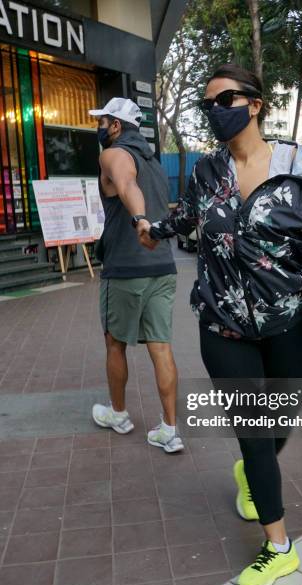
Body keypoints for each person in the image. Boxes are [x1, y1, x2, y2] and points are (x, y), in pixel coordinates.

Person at [138, 65, 302, 585]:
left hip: (290, 324)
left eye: (227, 99)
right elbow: (190, 217)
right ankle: (280, 547)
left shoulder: (298, 168)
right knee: (256, 437)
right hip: (223, 326)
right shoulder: (205, 170)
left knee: (279, 427)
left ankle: (250, 475)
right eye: (208, 103)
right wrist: (155, 230)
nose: (216, 110)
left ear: (255, 104)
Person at [89, 97, 183, 453]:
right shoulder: (154, 163)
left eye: (103, 122)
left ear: (115, 126)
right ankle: (169, 430)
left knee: (115, 343)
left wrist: (139, 219)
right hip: (162, 267)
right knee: (161, 346)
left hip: (126, 268)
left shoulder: (112, 155)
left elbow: (127, 185)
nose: (99, 128)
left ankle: (119, 414)